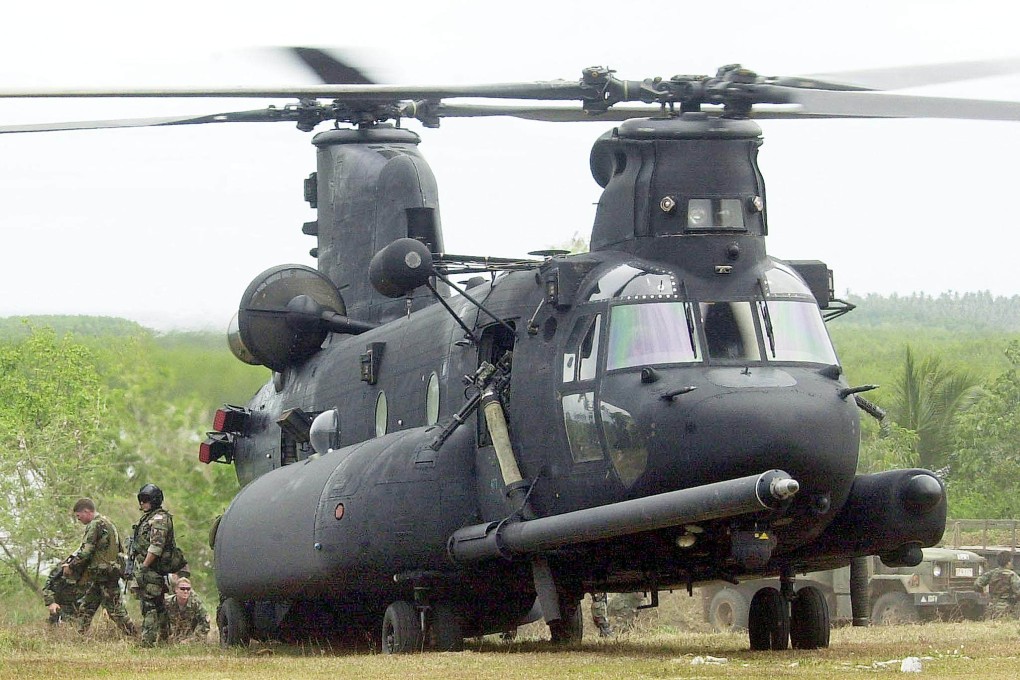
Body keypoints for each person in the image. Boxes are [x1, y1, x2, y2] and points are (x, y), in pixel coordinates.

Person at [65, 498, 136, 636]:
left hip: (104, 575)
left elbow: (86, 551)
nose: (78, 520)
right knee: (86, 607)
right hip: (103, 574)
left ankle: (135, 636)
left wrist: (71, 566)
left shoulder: (94, 525)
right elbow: (119, 548)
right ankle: (79, 637)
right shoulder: (109, 523)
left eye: (78, 516)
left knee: (115, 610)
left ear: (86, 511)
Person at [131, 483, 173, 646]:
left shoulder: (159, 519)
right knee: (157, 604)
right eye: (140, 500)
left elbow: (156, 547)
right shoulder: (149, 517)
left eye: (145, 500)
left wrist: (144, 567)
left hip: (152, 568)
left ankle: (147, 642)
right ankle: (165, 638)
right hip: (148, 567)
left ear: (154, 500)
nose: (142, 503)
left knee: (148, 604)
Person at [974, 551, 1020, 618]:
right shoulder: (1012, 575)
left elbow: (977, 584)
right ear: (1008, 562)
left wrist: (982, 592)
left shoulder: (992, 573)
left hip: (991, 608)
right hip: (1006, 609)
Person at [164, 576, 210, 642]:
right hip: (171, 635)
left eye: (188, 589)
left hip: (191, 636)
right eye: (182, 589)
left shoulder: (196, 604)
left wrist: (192, 640)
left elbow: (205, 623)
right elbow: (159, 620)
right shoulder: (167, 602)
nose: (185, 591)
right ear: (176, 590)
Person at [41, 557, 84, 626]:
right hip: (60, 606)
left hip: (80, 607)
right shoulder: (59, 570)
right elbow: (47, 587)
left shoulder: (89, 569)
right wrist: (51, 603)